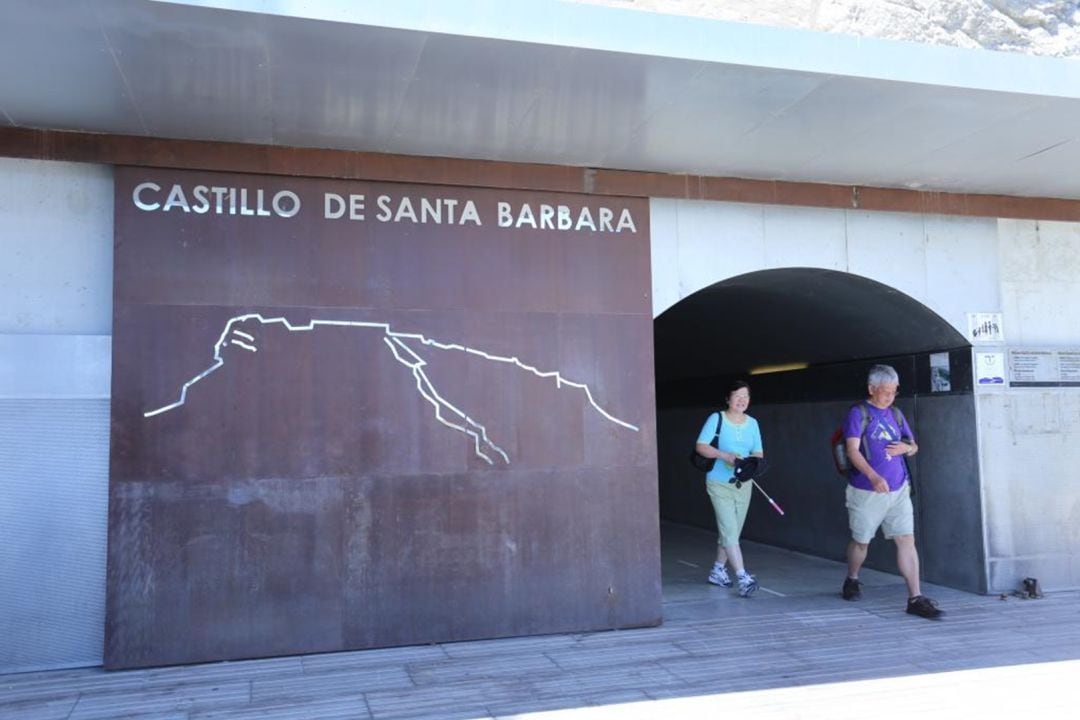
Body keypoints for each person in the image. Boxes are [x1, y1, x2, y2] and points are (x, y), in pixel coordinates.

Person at [841, 364, 943, 619]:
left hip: (899, 488)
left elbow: (913, 445)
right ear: (871, 388)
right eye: (885, 391)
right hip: (866, 490)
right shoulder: (859, 413)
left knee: (906, 539)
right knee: (861, 541)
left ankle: (915, 597)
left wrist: (906, 450)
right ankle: (852, 578)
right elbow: (852, 450)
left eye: (894, 392)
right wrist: (873, 476)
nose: (890, 397)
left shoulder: (896, 414)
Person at [695, 380, 764, 597]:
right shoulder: (716, 419)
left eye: (746, 396)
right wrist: (724, 456)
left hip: (743, 484)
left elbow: (759, 453)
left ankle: (717, 570)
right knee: (729, 530)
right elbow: (701, 446)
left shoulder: (753, 423)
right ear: (728, 398)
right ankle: (743, 577)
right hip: (718, 483)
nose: (742, 400)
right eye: (737, 395)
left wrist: (748, 463)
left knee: (731, 531)